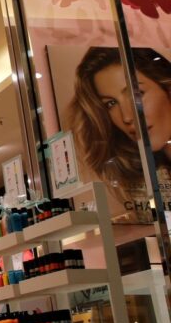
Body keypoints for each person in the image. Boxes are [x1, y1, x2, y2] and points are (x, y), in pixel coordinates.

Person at [69, 47, 171, 215]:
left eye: (136, 94)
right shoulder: (144, 186)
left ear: (167, 88)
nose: (127, 117)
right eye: (111, 103)